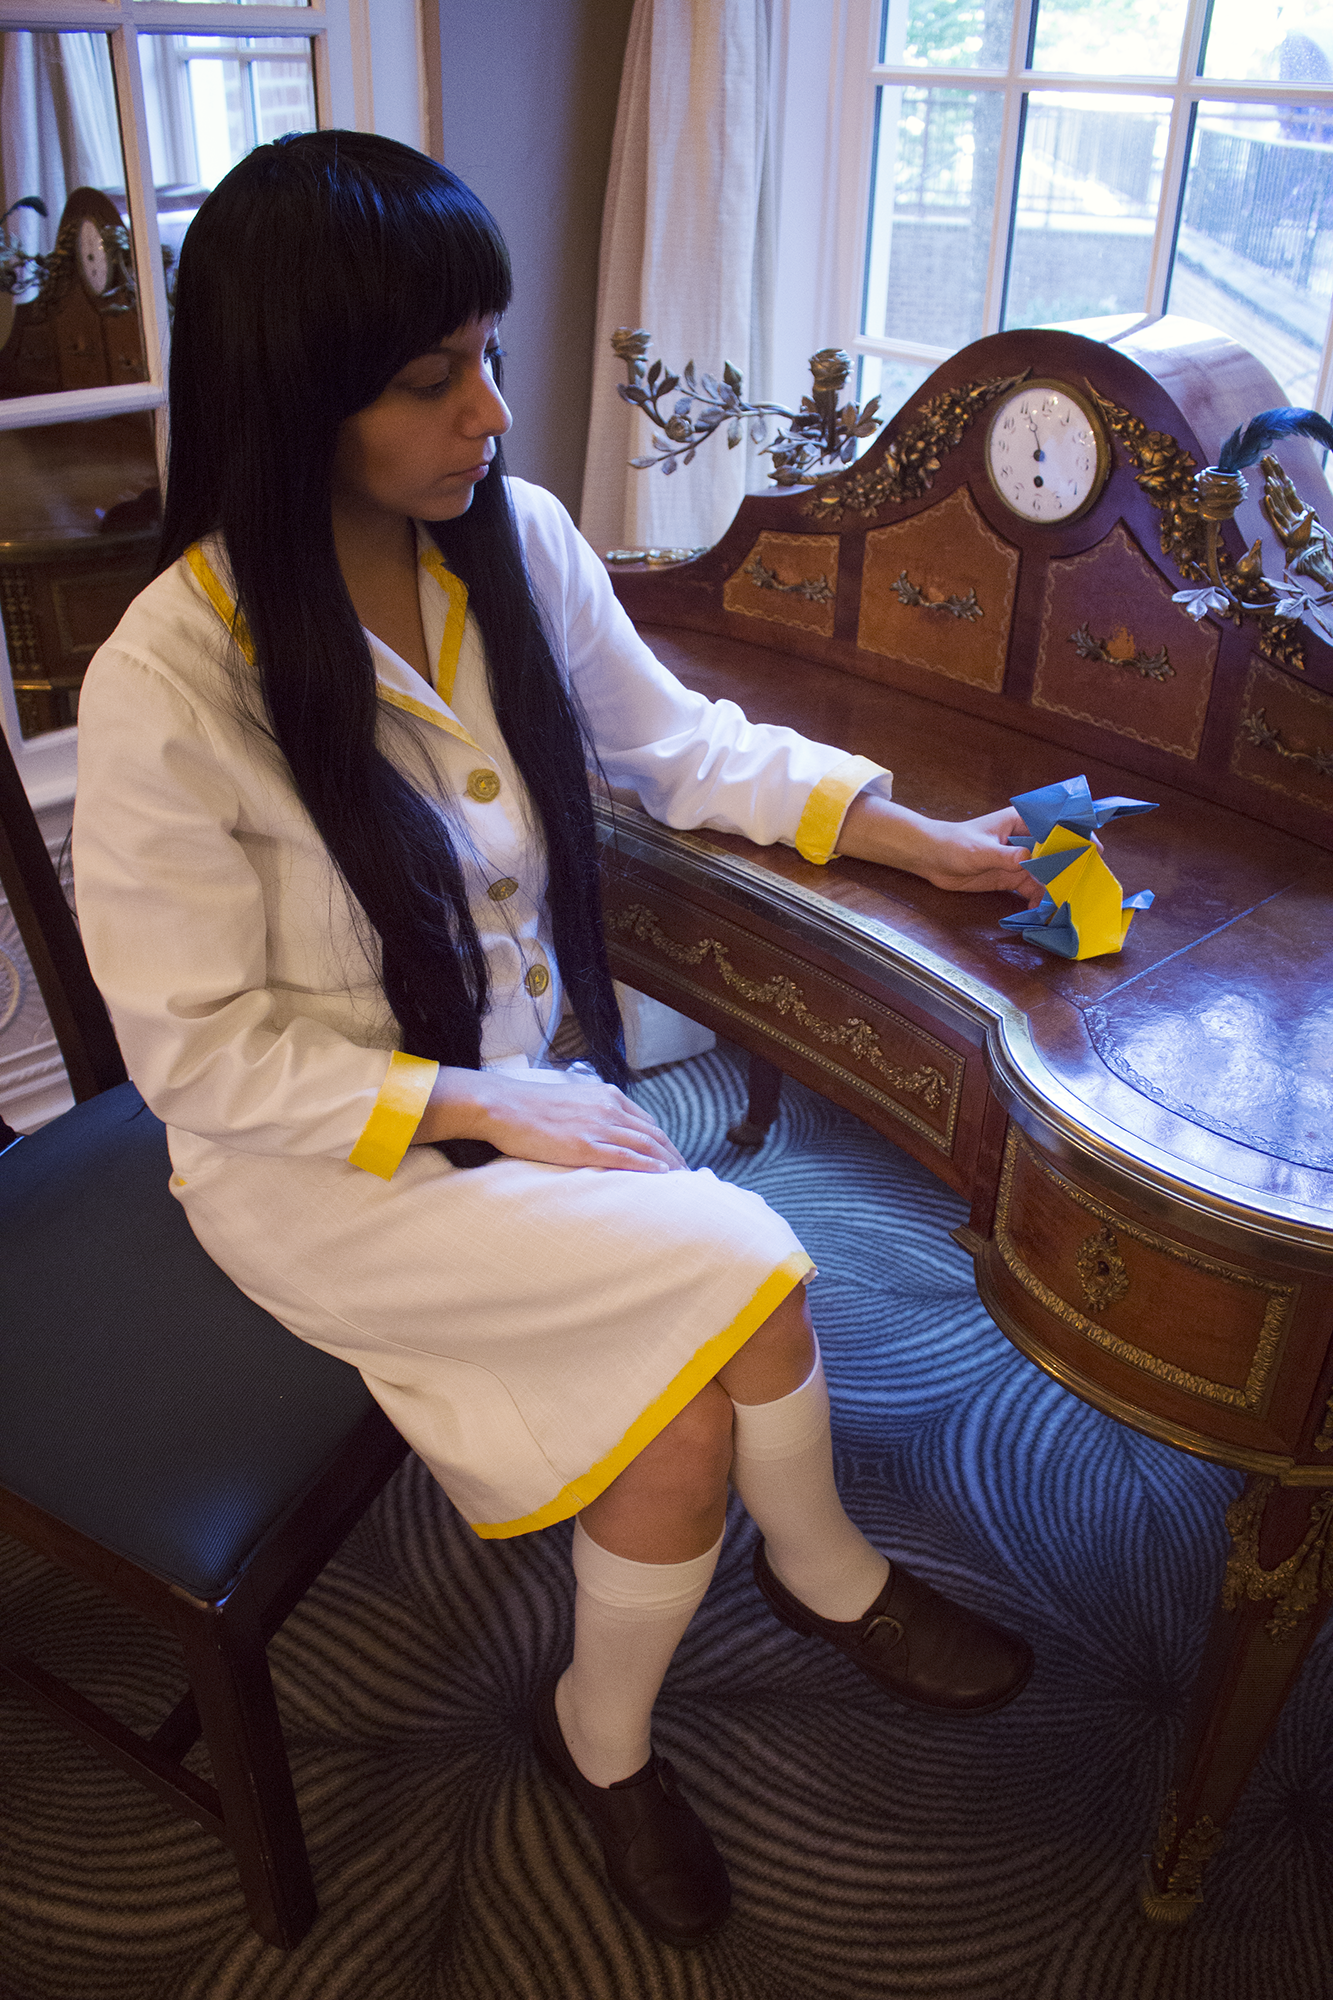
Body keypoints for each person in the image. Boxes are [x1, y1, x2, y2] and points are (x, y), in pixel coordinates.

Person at [72, 131, 1039, 1948]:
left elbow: (679, 745)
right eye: (431, 378)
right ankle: (828, 1574)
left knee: (680, 1431)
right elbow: (193, 1056)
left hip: (514, 1101)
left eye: (489, 353)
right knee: (752, 1261)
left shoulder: (510, 542)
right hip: (321, 1164)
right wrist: (486, 1106)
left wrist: (901, 831)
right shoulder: (168, 679)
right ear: (294, 396)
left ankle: (601, 1741)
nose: (493, 412)